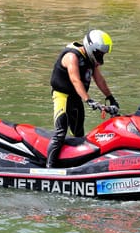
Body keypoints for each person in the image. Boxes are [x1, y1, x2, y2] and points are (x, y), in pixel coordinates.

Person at [46, 29, 119, 168]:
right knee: (60, 133)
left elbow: (100, 80)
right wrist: (88, 99)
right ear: (91, 48)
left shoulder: (91, 60)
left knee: (79, 135)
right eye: (99, 53)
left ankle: (74, 163)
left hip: (76, 98)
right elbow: (75, 80)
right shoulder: (71, 56)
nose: (100, 57)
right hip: (63, 97)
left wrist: (110, 97)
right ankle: (49, 167)